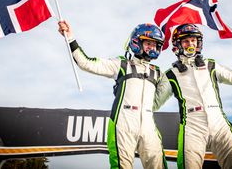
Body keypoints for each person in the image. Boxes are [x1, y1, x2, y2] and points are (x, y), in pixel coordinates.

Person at [58, 20, 168, 169]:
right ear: (136, 42)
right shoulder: (121, 64)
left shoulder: (158, 72)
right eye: (148, 43)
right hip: (123, 123)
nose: (152, 48)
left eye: (155, 44)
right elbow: (86, 63)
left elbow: (173, 87)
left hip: (149, 125)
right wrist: (70, 37)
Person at [153, 24, 232, 169]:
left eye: (194, 40)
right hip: (192, 126)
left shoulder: (210, 65)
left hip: (219, 123)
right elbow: (154, 103)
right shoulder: (170, 74)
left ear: (198, 43)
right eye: (186, 41)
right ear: (178, 44)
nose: (191, 44)